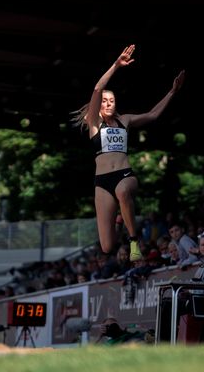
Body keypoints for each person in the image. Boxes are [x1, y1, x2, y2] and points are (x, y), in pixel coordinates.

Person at [71, 44, 185, 261]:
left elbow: (152, 115)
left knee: (123, 192)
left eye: (111, 100)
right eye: (104, 101)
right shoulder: (94, 124)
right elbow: (97, 89)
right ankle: (119, 221)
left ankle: (134, 241)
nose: (108, 103)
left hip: (125, 174)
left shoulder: (125, 121)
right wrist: (116, 65)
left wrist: (172, 92)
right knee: (106, 246)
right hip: (102, 182)